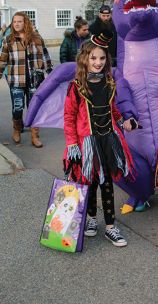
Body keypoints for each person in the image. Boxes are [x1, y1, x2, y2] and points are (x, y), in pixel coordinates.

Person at [63, 31, 137, 247]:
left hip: (108, 139)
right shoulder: (76, 86)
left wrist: (123, 120)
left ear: (107, 60)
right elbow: (68, 117)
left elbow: (112, 109)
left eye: (102, 58)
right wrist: (72, 144)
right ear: (84, 59)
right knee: (90, 182)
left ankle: (111, 227)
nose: (97, 62)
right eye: (93, 58)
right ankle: (92, 220)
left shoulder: (109, 82)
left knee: (106, 183)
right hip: (86, 143)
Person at [0, 12, 53, 147]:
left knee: (33, 108)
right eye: (15, 21)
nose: (16, 24)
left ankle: (35, 135)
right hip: (16, 80)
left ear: (26, 23)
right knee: (17, 108)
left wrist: (50, 72)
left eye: (20, 21)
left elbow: (45, 55)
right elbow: (2, 59)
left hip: (35, 80)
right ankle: (17, 129)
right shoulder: (8, 39)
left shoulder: (36, 38)